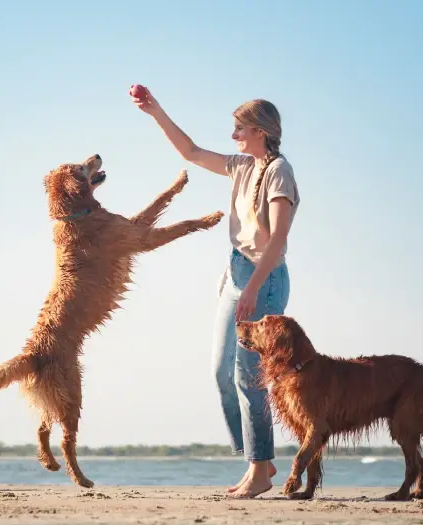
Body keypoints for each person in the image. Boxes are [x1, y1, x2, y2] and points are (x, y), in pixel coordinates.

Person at [131, 86, 300, 498]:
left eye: (239, 129)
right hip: (237, 272)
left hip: (265, 278)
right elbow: (190, 151)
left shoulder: (280, 171)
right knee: (221, 373)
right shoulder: (242, 166)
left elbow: (277, 239)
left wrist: (253, 290)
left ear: (260, 131)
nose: (233, 136)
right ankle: (258, 459)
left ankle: (259, 469)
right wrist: (156, 111)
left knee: (248, 376)